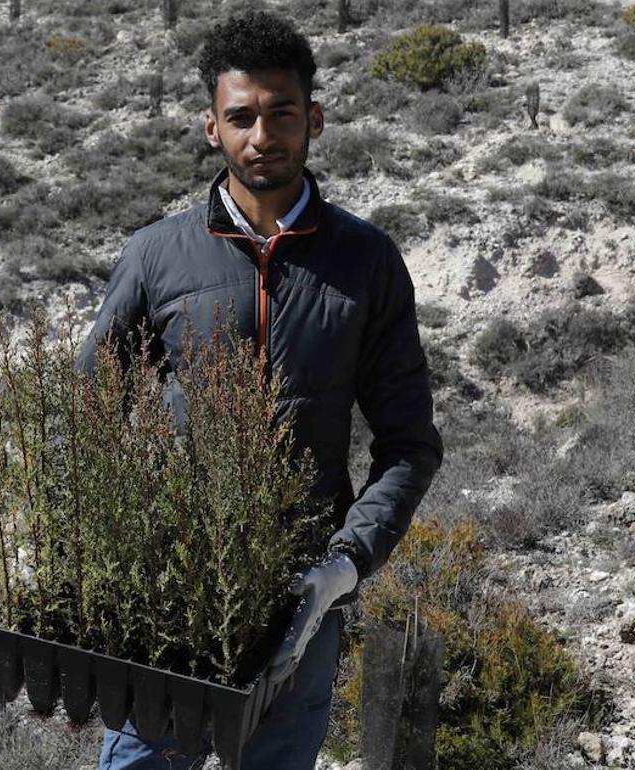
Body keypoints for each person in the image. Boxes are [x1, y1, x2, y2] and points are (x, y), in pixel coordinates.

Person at [73, 9, 444, 770]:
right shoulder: (156, 256)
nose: (262, 135)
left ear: (314, 118)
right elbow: (84, 422)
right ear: (212, 127)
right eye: (240, 116)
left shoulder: (368, 263)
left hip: (300, 606)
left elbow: (409, 446)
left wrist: (341, 568)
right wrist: (80, 541)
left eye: (281, 114)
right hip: (168, 596)